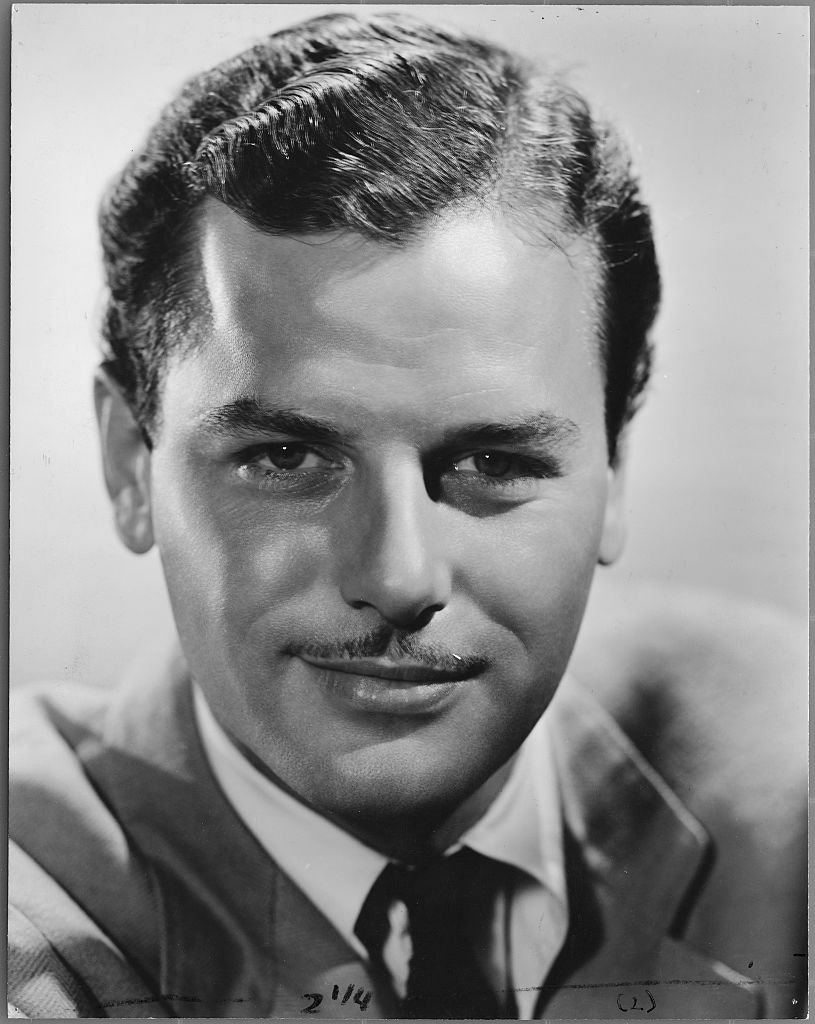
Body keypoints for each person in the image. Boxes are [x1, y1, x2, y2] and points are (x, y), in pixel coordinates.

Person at [8, 11, 806, 1019]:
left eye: (494, 461)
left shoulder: (786, 777)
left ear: (616, 469)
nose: (398, 576)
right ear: (130, 461)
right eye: (285, 457)